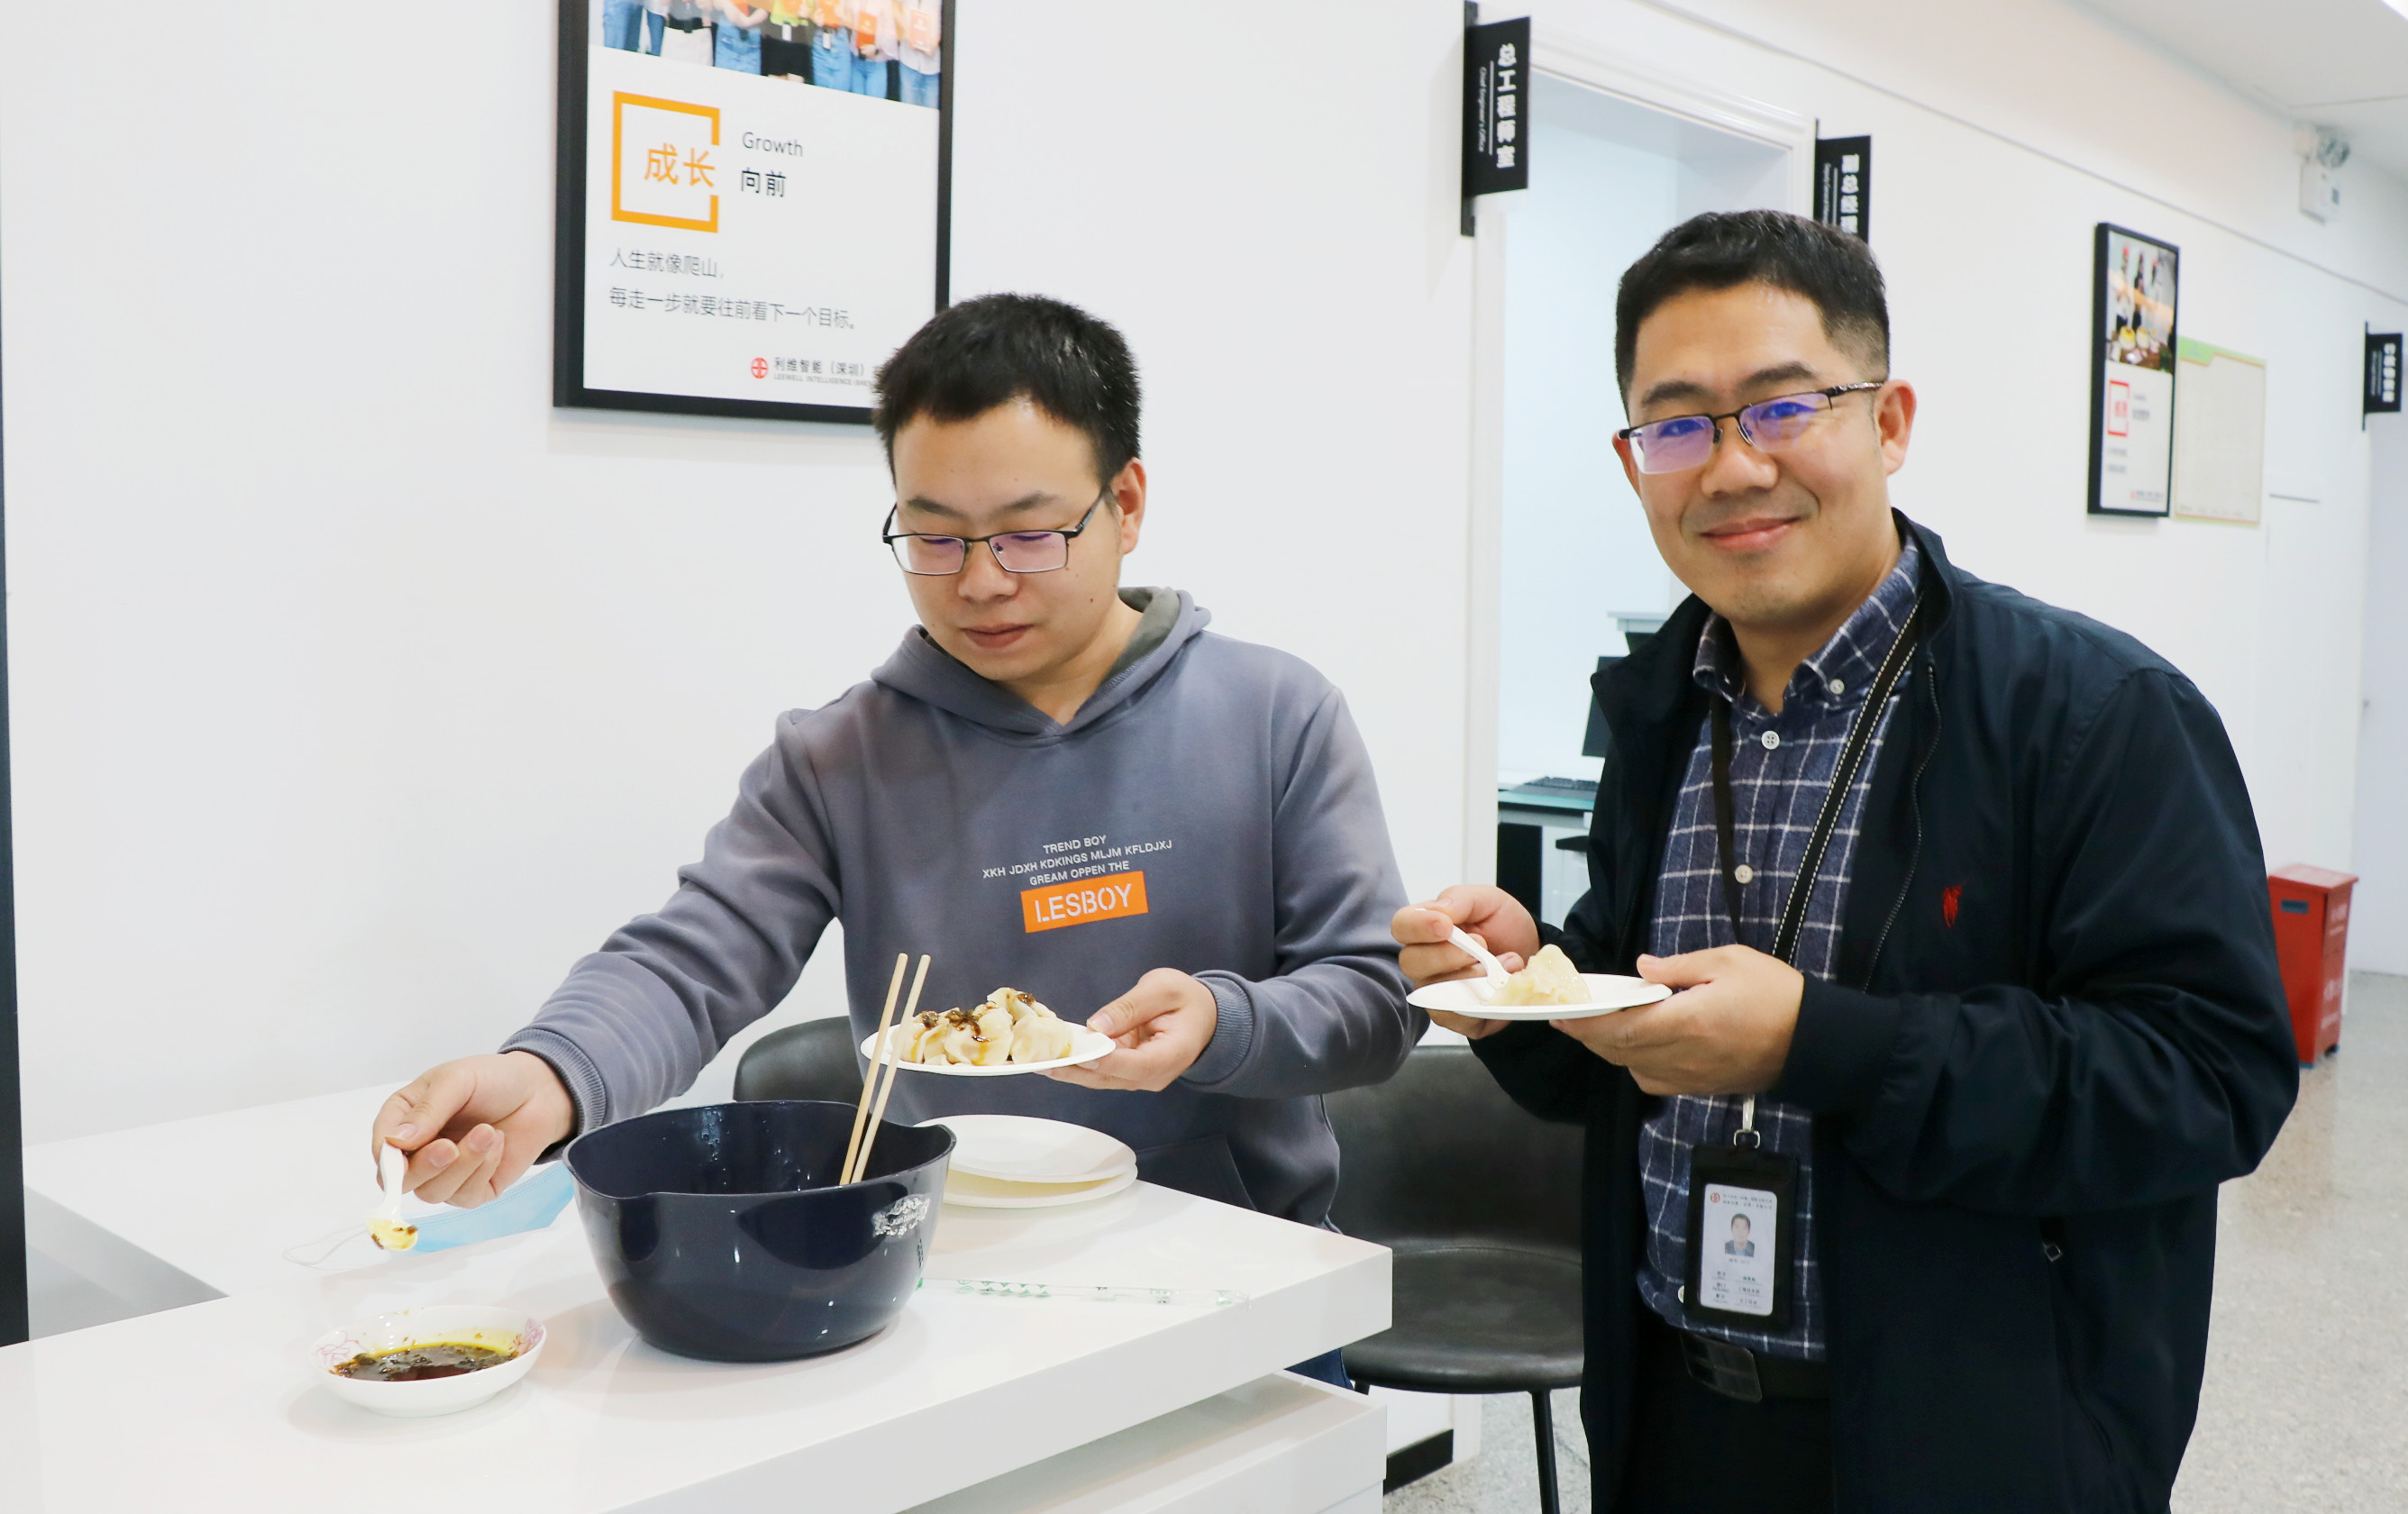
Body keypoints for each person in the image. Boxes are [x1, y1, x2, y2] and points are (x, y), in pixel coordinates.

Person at [1392, 211, 2297, 1512]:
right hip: (1674, 1414)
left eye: (1782, 407)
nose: (1733, 466)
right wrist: (1529, 992)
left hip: (1972, 1443)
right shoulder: (1664, 706)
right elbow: (1649, 1027)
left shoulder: (2096, 715)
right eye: (1677, 425)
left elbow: (2211, 1079)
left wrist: (1822, 1045)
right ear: (1634, 460)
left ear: (1891, 421)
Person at [375, 295, 1419, 1382]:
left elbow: (1374, 1002)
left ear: (1126, 502)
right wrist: (549, 1071)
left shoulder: (1273, 715)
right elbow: (689, 960)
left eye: (1028, 533)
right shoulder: (841, 757)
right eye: (933, 536)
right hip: (958, 1289)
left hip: (1243, 1282)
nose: (979, 580)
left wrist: (1224, 1022)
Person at [893, 0, 939, 108]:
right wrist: (906, 29)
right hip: (908, 60)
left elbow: (948, 19)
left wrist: (936, 40)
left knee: (931, 111)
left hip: (932, 65)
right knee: (908, 110)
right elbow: (894, 4)